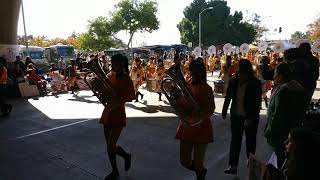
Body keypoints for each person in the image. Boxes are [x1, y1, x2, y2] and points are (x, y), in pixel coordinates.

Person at [175, 59, 215, 180]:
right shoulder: (186, 85)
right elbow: (181, 105)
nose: (194, 73)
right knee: (184, 161)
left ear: (202, 72)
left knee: (198, 163)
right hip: (187, 126)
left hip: (201, 127)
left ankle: (200, 173)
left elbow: (210, 109)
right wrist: (176, 99)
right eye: (192, 70)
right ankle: (201, 172)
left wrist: (199, 113)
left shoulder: (206, 88)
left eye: (197, 71)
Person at [222, 59, 262, 175]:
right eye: (239, 72)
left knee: (250, 142)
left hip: (250, 117)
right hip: (236, 115)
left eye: (243, 73)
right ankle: (233, 166)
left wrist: (251, 118)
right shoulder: (234, 81)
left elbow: (256, 103)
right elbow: (228, 96)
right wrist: (224, 110)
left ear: (248, 72)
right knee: (235, 141)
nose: (241, 75)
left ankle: (252, 167)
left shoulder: (255, 83)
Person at [100, 54, 135, 180]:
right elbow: (104, 93)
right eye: (112, 63)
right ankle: (120, 164)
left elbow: (131, 96)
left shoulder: (126, 79)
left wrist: (118, 101)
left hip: (118, 112)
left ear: (121, 64)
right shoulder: (110, 76)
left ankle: (118, 167)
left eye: (115, 63)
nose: (112, 65)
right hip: (108, 111)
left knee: (111, 144)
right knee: (110, 145)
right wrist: (100, 89)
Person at [264, 63, 307, 168]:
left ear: (281, 76)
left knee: (281, 160)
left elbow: (277, 115)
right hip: (292, 131)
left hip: (281, 134)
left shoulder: (283, 91)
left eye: (275, 74)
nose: (274, 77)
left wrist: (269, 131)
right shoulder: (298, 88)